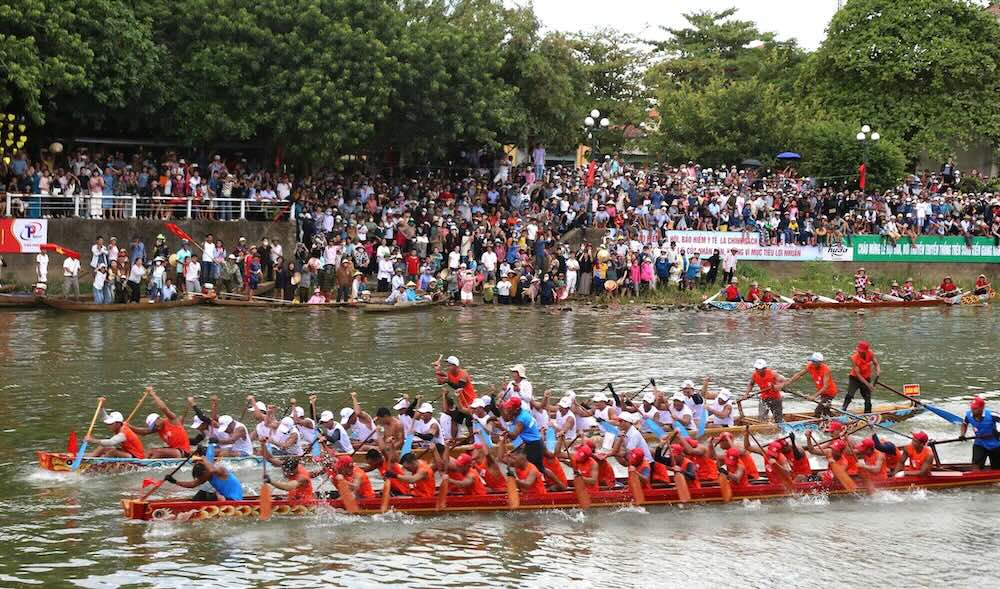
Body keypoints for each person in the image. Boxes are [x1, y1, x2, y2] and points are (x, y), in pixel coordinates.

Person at [133, 387, 192, 458]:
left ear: (158, 419)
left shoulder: (172, 420)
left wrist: (152, 394)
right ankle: (140, 463)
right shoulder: (158, 428)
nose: (156, 427)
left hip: (183, 452)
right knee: (149, 451)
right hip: (173, 450)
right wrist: (128, 426)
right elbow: (143, 432)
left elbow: (163, 408)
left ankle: (147, 465)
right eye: (154, 427)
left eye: (155, 425)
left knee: (158, 451)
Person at [165, 455, 244, 501]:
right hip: (224, 499)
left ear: (205, 472)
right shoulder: (207, 475)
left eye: (201, 477)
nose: (200, 479)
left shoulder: (221, 470)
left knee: (210, 495)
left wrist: (203, 457)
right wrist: (174, 481)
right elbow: (192, 484)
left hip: (234, 500)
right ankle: (193, 504)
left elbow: (212, 469)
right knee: (202, 493)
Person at [784, 352, 838, 417]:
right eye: (812, 361)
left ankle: (818, 422)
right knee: (825, 409)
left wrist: (814, 396)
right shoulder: (810, 366)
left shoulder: (826, 370)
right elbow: (799, 374)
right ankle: (833, 418)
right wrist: (787, 383)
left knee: (818, 411)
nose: (812, 363)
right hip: (822, 392)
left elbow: (825, 386)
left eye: (814, 361)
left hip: (830, 392)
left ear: (819, 362)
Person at [501, 397, 544, 476]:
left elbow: (513, 436)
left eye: (509, 408)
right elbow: (507, 419)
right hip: (532, 443)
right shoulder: (521, 412)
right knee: (539, 468)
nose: (508, 409)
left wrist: (501, 427)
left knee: (526, 467)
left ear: (516, 409)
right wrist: (501, 408)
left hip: (534, 445)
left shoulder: (521, 419)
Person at [435, 355, 475, 438]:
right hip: (460, 402)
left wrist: (448, 381)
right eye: (447, 365)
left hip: (470, 402)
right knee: (454, 419)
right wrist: (437, 369)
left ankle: (473, 439)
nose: (447, 367)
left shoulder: (463, 374)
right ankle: (453, 440)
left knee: (469, 422)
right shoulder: (449, 374)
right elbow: (439, 382)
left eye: (449, 365)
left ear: (455, 366)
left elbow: (459, 386)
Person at [960, 397, 1000, 470]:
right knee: (975, 466)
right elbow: (964, 424)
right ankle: (975, 478)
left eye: (975, 408)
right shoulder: (968, 415)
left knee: (996, 469)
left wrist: (998, 431)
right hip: (980, 443)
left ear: (982, 408)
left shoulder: (992, 415)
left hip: (996, 445)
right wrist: (962, 434)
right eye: (972, 408)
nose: (972, 410)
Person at [744, 358, 785, 423]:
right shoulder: (755, 375)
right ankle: (764, 428)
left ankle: (780, 428)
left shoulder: (772, 373)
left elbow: (783, 380)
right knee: (762, 417)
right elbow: (751, 384)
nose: (757, 370)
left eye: (759, 369)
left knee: (778, 418)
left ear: (764, 368)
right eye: (756, 368)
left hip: (775, 398)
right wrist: (746, 394)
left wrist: (777, 387)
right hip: (764, 398)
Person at [843, 340, 879, 414]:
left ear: (866, 350)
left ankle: (868, 414)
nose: (860, 352)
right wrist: (869, 385)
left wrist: (878, 371)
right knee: (850, 395)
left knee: (867, 398)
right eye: (859, 351)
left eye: (862, 351)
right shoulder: (854, 358)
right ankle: (843, 410)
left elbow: (876, 364)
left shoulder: (870, 353)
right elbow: (858, 375)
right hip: (855, 378)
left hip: (866, 377)